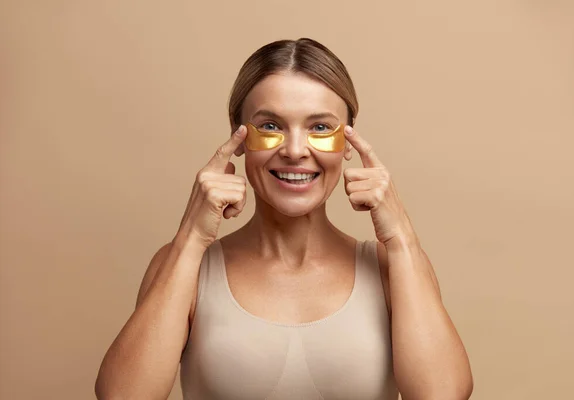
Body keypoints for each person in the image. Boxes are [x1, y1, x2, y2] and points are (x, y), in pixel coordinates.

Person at [95, 38, 473, 400]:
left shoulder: (395, 266)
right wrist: (191, 237)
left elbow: (442, 395)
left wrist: (402, 237)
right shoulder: (184, 267)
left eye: (320, 127)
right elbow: (121, 396)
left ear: (347, 143)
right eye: (271, 126)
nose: (295, 151)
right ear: (238, 138)